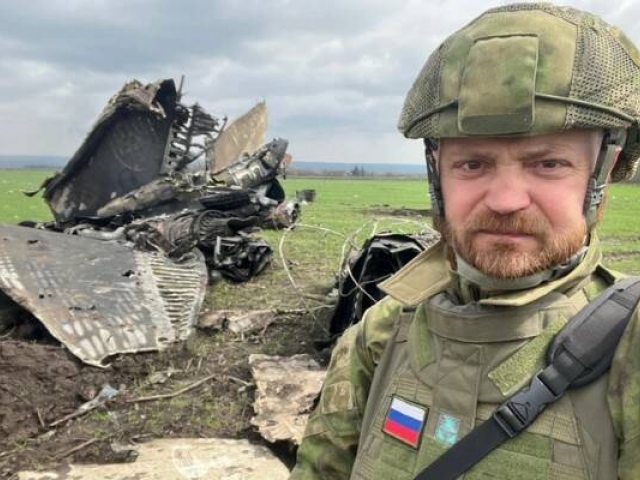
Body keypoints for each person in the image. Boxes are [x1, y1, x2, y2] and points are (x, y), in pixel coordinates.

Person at [290, 3, 640, 480]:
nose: (506, 200)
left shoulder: (628, 344)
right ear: (438, 176)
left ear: (600, 175)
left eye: (548, 164)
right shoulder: (383, 333)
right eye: (473, 164)